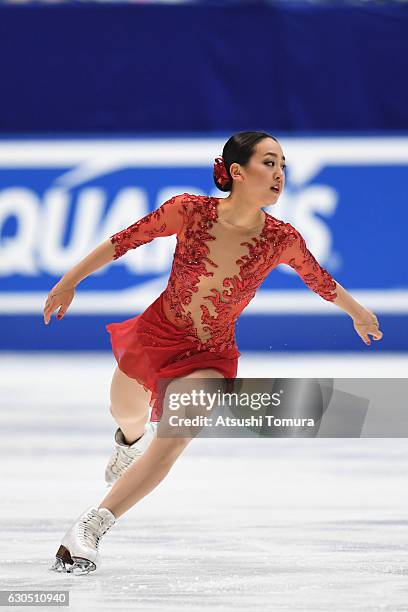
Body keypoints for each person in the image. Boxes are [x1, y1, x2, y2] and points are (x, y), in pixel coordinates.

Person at [43, 131, 383, 575]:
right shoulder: (190, 210)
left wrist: (357, 313)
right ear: (237, 172)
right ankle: (128, 441)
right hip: (155, 335)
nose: (279, 173)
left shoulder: (281, 238)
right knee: (125, 413)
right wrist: (70, 281)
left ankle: (89, 529)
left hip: (210, 354)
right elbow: (123, 240)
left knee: (175, 436)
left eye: (283, 164)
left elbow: (320, 281)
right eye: (268, 162)